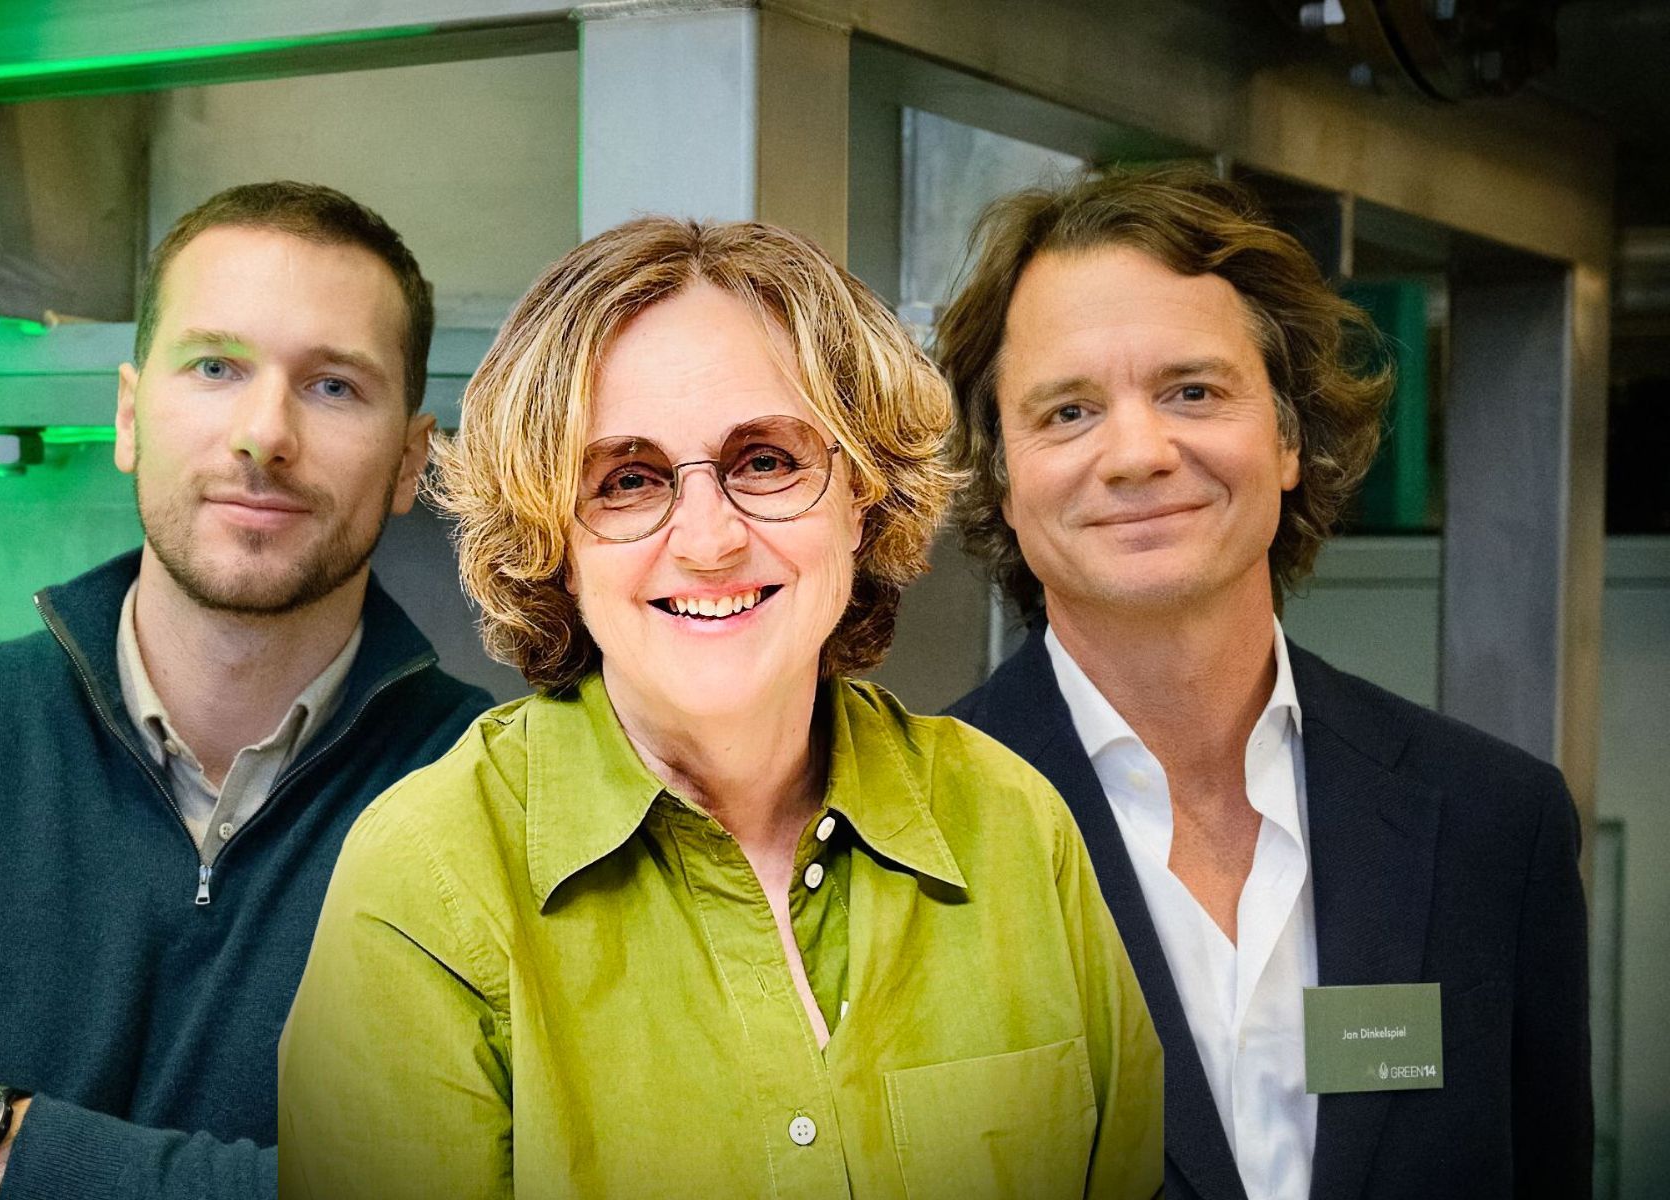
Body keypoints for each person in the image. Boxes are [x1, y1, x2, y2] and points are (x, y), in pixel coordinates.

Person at [278, 216, 1163, 1198]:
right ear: (552, 541)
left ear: (863, 496)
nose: (708, 542)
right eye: (627, 481)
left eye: (766, 462)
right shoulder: (429, 880)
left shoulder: (1014, 827)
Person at [940, 166, 1591, 1200]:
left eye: (1192, 391)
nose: (1137, 453)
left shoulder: (1495, 825)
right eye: (1067, 411)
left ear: (1288, 437)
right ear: (1000, 477)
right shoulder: (896, 843)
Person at [0, 181, 493, 1200]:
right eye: (215, 367)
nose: (264, 434)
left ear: (408, 461)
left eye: (334, 386)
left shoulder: (495, 802)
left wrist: (14, 1151)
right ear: (128, 416)